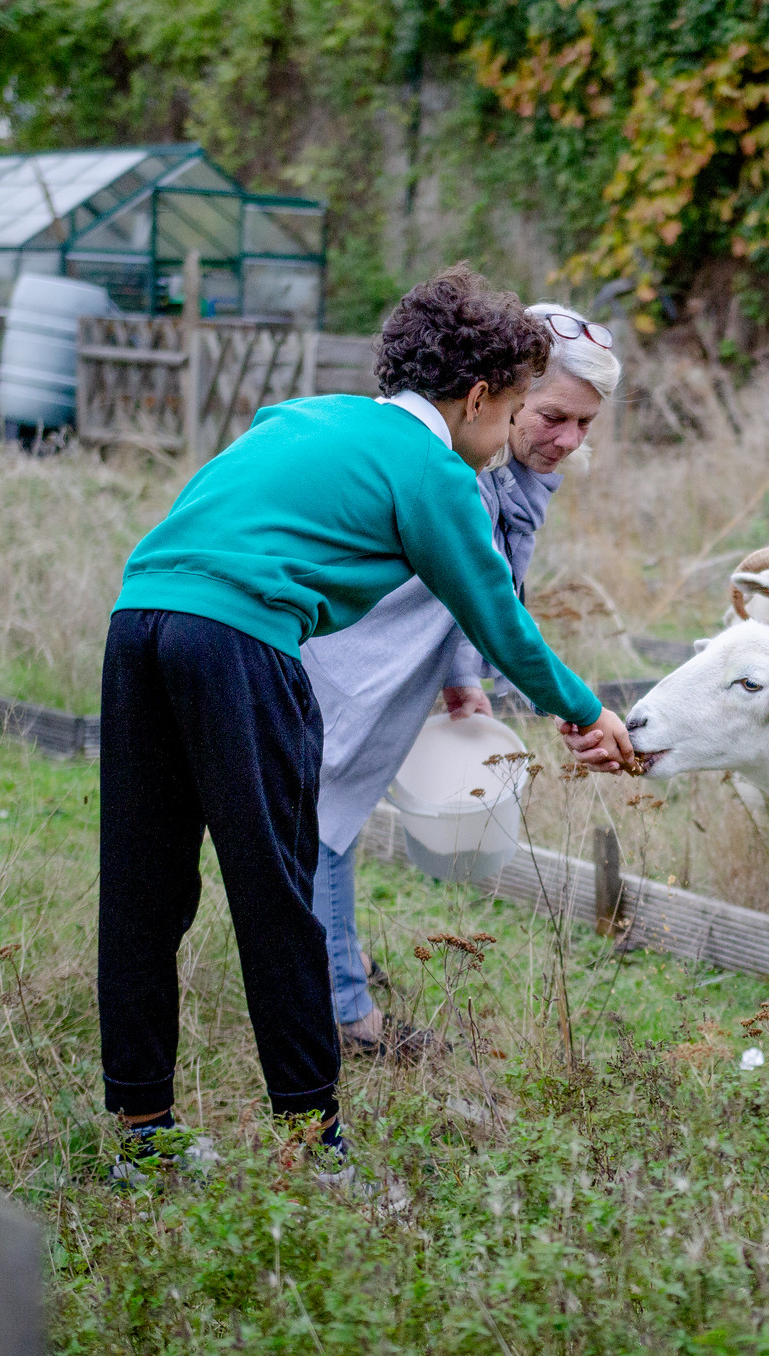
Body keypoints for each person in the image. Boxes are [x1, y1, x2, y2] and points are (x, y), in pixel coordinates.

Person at [97, 267, 634, 1168]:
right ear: (475, 398)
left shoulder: (306, 413)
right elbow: (498, 617)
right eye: (512, 416)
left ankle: (139, 1132)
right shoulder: (438, 470)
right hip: (239, 640)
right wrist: (585, 711)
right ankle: (318, 1142)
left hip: (138, 621)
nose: (509, 441)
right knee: (278, 898)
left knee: (144, 893)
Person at [301, 302, 619, 1058]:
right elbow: (486, 600)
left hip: (383, 664)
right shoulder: (454, 474)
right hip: (345, 657)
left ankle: (339, 962)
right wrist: (574, 705)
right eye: (551, 416)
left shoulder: (516, 480)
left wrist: (458, 679)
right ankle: (343, 1012)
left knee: (331, 819)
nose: (568, 440)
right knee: (322, 817)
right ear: (496, 394)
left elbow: (477, 592)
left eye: (585, 425)